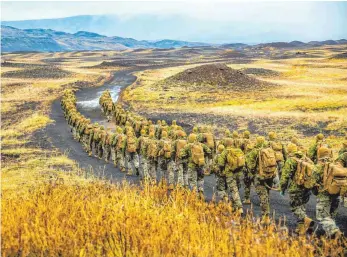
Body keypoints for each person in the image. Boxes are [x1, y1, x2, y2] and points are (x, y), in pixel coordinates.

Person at [280, 143, 315, 235]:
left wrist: (282, 188)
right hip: (306, 187)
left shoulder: (290, 160)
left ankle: (306, 219)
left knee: (294, 206)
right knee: (301, 206)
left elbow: (285, 176)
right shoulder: (305, 158)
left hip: (296, 187)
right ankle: (301, 228)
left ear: (289, 150)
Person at [313, 146, 343, 238]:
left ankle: (336, 234)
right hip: (336, 195)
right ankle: (330, 237)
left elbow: (313, 183)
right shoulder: (336, 165)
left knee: (322, 217)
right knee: (330, 216)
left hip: (324, 196)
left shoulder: (318, 167)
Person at [246, 136, 277, 222]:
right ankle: (266, 206)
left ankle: (265, 217)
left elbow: (250, 165)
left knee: (262, 195)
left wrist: (252, 173)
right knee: (266, 193)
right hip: (270, 175)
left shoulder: (255, 152)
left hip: (260, 177)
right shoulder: (270, 150)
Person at [217, 139, 245, 214]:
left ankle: (239, 208)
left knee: (233, 190)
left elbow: (221, 163)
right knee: (236, 189)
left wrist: (222, 170)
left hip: (230, 174)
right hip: (239, 173)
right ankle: (234, 207)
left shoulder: (226, 151)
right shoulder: (239, 150)